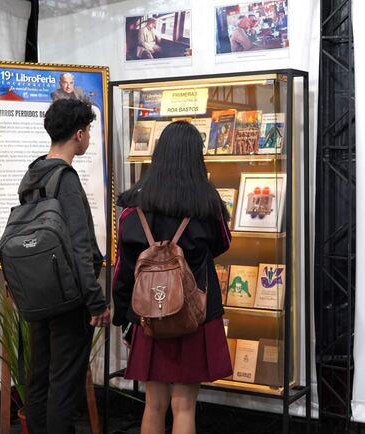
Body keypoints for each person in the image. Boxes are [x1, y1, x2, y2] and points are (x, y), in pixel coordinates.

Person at [113, 121, 233, 434]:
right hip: (195, 312)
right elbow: (222, 244)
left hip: (148, 314)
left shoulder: (132, 207)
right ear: (196, 156)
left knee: (153, 404)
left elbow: (123, 268)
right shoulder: (207, 204)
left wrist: (123, 315)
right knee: (184, 406)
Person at [19, 99, 110, 434]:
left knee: (39, 379)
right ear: (79, 133)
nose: (88, 138)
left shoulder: (32, 174)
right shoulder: (65, 180)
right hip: (69, 297)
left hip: (38, 293)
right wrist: (95, 300)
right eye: (88, 132)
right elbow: (79, 246)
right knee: (64, 385)